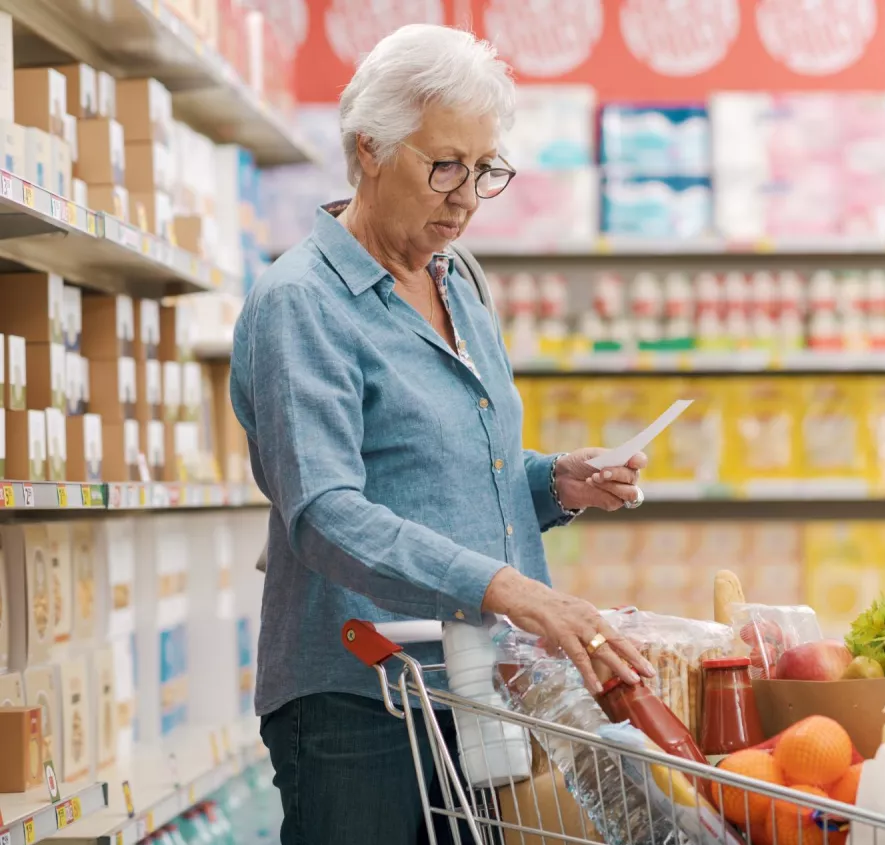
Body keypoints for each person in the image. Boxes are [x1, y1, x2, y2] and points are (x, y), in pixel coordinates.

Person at [230, 24, 654, 845]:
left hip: (479, 687)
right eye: (444, 166)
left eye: (484, 168)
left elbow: (454, 471)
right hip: (360, 703)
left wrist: (553, 481)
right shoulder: (302, 303)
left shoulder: (460, 281)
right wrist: (511, 589)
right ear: (369, 151)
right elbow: (324, 511)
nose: (465, 196)